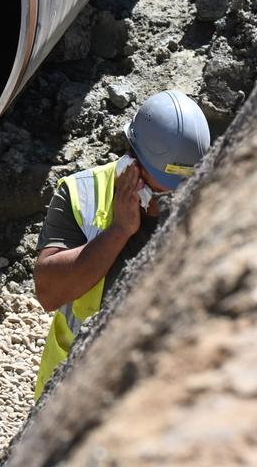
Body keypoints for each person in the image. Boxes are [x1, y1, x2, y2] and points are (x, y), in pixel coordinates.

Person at [33, 89, 210, 399]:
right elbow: (48, 292)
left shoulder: (207, 203)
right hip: (72, 393)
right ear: (131, 162)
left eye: (178, 190)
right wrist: (118, 230)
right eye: (158, 190)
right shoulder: (81, 194)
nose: (166, 202)